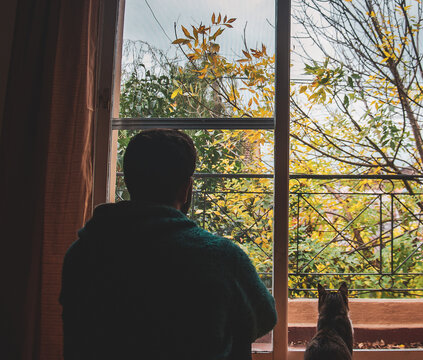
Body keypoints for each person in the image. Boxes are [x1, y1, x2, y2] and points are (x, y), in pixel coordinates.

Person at [60, 129, 277, 360]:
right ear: (186, 189)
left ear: (129, 182)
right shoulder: (222, 258)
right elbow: (264, 317)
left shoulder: (81, 254)